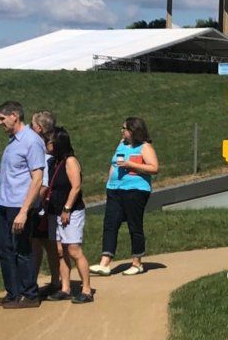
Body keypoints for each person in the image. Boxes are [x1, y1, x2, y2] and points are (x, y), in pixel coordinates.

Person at [0, 100, 46, 306]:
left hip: (20, 206)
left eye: (2, 118)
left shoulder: (31, 141)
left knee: (22, 250)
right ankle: (13, 293)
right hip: (6, 206)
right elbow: (9, 178)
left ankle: (30, 294)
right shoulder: (12, 141)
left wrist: (24, 211)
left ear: (14, 116)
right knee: (3, 248)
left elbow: (37, 179)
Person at [91, 117, 158, 277]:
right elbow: (114, 163)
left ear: (134, 131)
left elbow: (154, 168)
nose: (122, 131)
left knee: (134, 225)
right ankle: (105, 262)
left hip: (135, 190)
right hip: (115, 189)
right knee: (110, 224)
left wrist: (131, 165)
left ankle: (137, 262)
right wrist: (109, 182)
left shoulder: (145, 147)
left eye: (125, 128)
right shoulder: (121, 144)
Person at [44, 127, 93, 302]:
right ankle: (65, 288)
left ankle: (86, 290)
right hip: (55, 211)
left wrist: (67, 208)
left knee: (73, 249)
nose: (45, 144)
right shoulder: (53, 162)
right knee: (60, 250)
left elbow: (76, 186)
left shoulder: (70, 161)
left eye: (48, 141)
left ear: (57, 143)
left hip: (71, 212)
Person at [28, 112, 58, 283]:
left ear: (38, 128)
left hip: (41, 208)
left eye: (31, 125)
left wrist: (32, 205)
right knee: (41, 243)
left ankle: (54, 281)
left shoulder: (43, 155)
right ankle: (51, 280)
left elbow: (43, 185)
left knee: (44, 243)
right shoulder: (47, 150)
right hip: (42, 207)